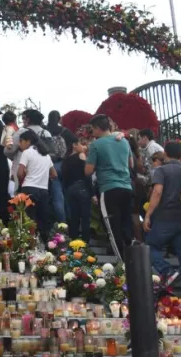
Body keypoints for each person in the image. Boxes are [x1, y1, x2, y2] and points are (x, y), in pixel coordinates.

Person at [144, 141, 181, 298]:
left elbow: (157, 192)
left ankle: (167, 271)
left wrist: (148, 215)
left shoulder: (161, 171)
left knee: (150, 246)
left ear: (165, 153)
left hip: (164, 217)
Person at [84, 114, 134, 261]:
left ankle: (122, 263)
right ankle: (133, 258)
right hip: (126, 186)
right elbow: (131, 164)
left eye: (92, 129)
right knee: (126, 225)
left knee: (112, 228)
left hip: (108, 188)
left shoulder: (96, 145)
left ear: (98, 128)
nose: (92, 133)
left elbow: (88, 171)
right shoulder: (124, 142)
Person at [16, 129, 56, 243]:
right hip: (43, 191)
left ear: (28, 141)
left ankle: (28, 245)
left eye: (21, 141)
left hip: (28, 188)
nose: (20, 144)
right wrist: (42, 177)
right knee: (42, 220)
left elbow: (19, 173)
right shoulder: (46, 155)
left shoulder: (27, 152)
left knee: (27, 220)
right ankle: (43, 246)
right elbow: (54, 174)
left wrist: (24, 179)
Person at [61, 134, 92, 242]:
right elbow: (87, 173)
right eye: (80, 144)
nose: (83, 147)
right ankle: (85, 242)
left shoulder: (66, 159)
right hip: (82, 187)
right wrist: (91, 192)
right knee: (85, 217)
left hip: (70, 189)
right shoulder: (81, 156)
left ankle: (73, 239)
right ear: (74, 145)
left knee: (74, 216)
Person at [46, 110, 72, 224]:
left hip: (51, 165)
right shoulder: (65, 131)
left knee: (57, 196)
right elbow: (76, 141)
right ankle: (71, 221)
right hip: (65, 164)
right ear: (59, 119)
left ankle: (62, 224)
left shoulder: (45, 131)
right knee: (67, 194)